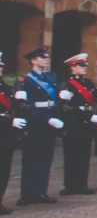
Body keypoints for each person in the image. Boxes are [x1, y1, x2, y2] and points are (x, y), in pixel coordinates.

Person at [15, 46, 61, 205]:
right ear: (33, 60)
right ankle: (26, 194)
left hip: (50, 121)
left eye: (46, 57)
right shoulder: (27, 80)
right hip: (35, 123)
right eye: (42, 57)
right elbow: (29, 106)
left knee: (45, 159)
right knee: (31, 159)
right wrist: (47, 119)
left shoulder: (52, 77)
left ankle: (41, 191)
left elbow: (55, 102)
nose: (46, 59)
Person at [58, 53, 97, 196]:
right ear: (73, 67)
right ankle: (70, 185)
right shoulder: (67, 85)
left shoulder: (88, 83)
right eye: (81, 66)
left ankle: (82, 184)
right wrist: (90, 116)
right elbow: (67, 107)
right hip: (74, 123)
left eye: (85, 65)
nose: (84, 68)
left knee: (84, 155)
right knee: (71, 155)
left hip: (87, 123)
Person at [0, 52, 19, 214]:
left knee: (4, 170)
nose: (1, 68)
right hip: (4, 128)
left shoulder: (4, 86)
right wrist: (8, 121)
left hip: (5, 135)